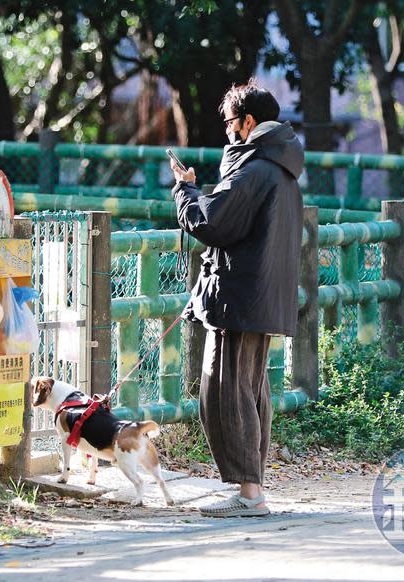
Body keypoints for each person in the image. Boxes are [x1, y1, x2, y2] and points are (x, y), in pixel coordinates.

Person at [170, 80, 304, 518]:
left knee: (227, 391)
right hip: (262, 296)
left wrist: (185, 192)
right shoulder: (279, 167)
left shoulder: (254, 170)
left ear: (248, 122)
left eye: (229, 122)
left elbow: (212, 223)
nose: (227, 131)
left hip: (239, 297)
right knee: (250, 390)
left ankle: (250, 494)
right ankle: (253, 488)